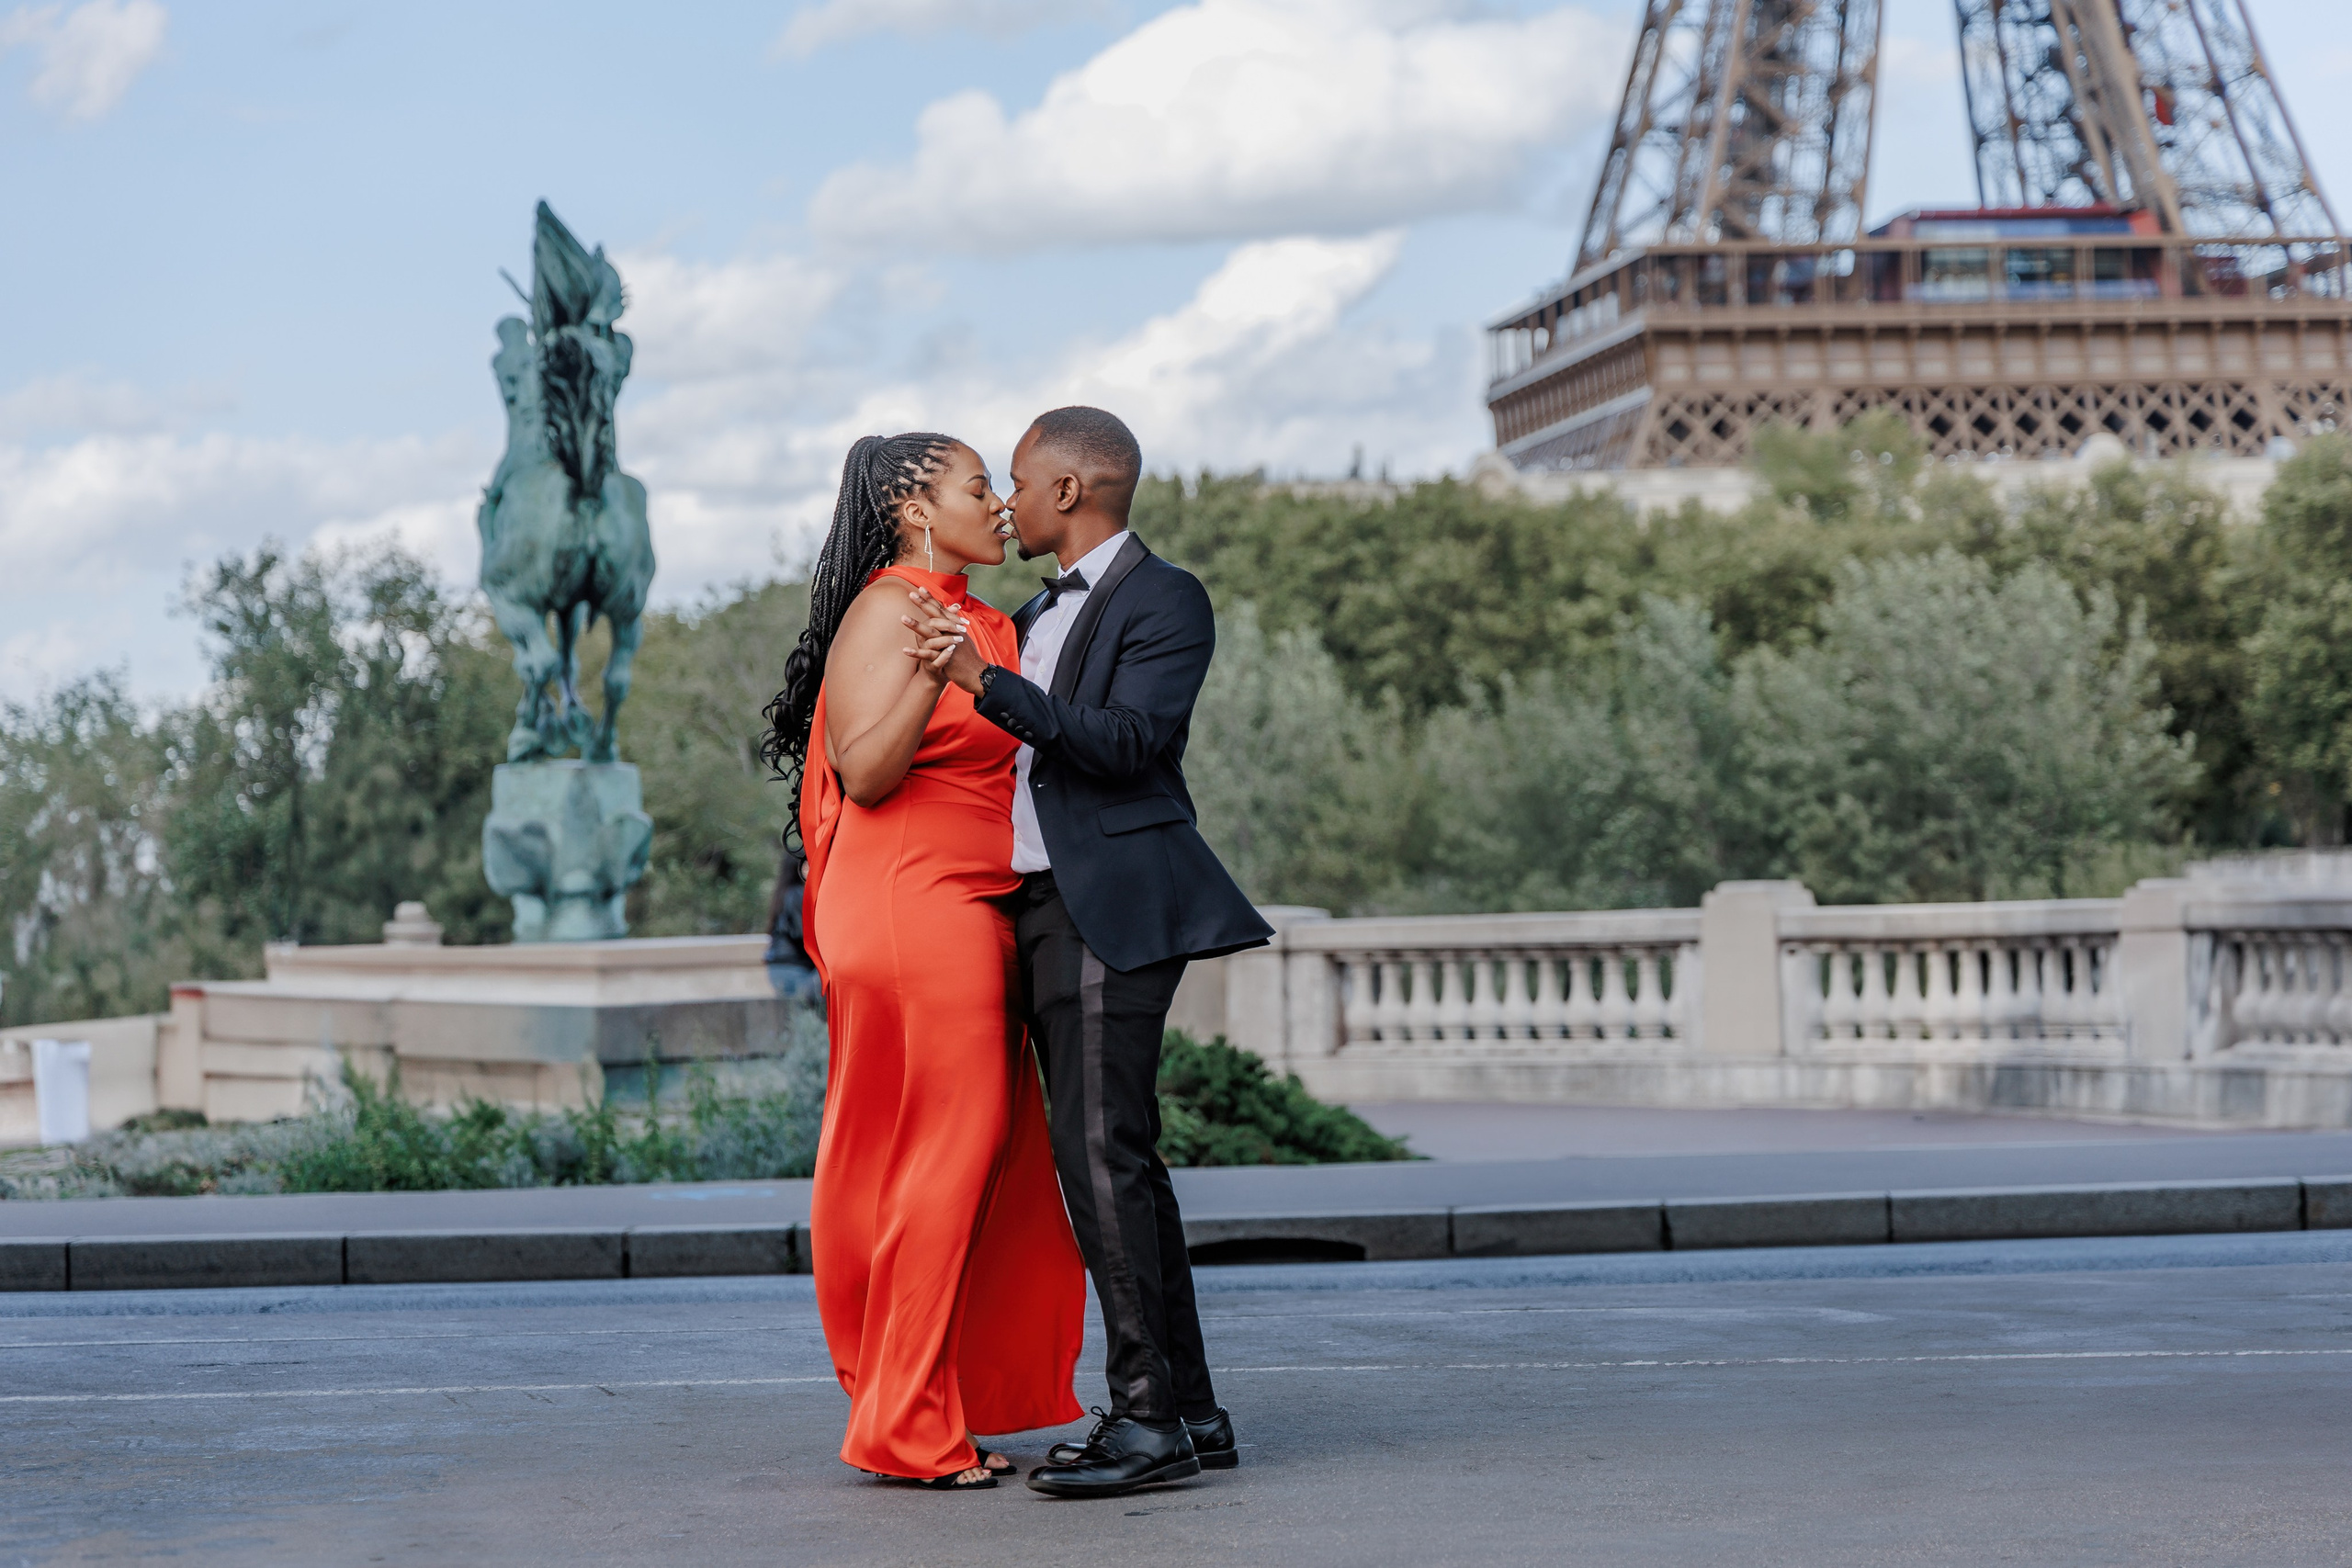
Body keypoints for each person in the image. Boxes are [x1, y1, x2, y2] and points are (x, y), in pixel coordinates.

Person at [910, 405, 1274, 1500]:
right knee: (1120, 1161)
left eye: (1016, 482)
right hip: (1035, 906)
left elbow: (1126, 745)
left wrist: (983, 685)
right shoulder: (1028, 610)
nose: (1007, 501)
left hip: (1104, 904)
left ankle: (1147, 1422)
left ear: (1068, 491)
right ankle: (1191, 1410)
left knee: (1098, 1159)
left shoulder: (1166, 598)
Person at [759, 433, 1086, 1491]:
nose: (997, 504)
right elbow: (864, 768)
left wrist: (969, 660)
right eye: (977, 485)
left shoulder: (986, 619)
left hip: (973, 902)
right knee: (948, 1148)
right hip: (909, 903)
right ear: (911, 506)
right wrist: (939, 667)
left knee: (967, 1158)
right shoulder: (893, 607)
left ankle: (927, 1400)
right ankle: (903, 1421)